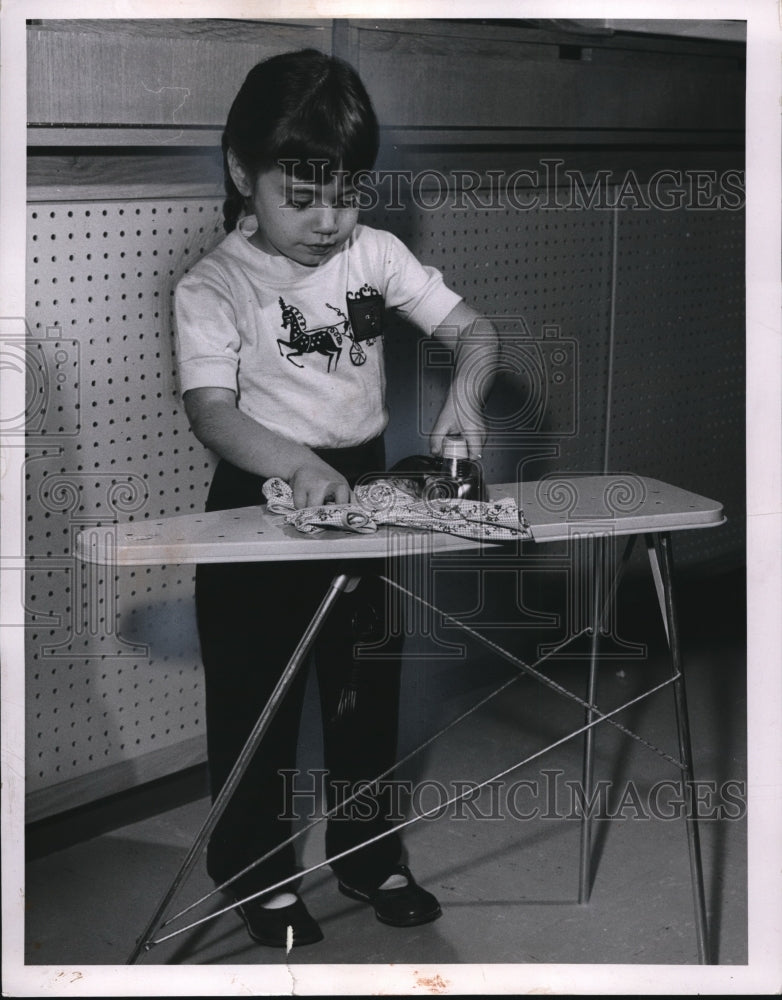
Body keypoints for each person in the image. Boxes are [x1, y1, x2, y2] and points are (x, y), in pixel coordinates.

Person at [173, 48, 499, 950]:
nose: (329, 221)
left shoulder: (375, 252)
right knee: (255, 704)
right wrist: (294, 463)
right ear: (243, 170)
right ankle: (254, 873)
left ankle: (368, 854)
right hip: (255, 495)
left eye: (347, 194)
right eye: (303, 196)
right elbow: (211, 412)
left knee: (364, 693)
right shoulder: (213, 284)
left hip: (364, 492)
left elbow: (475, 331)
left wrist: (465, 398)